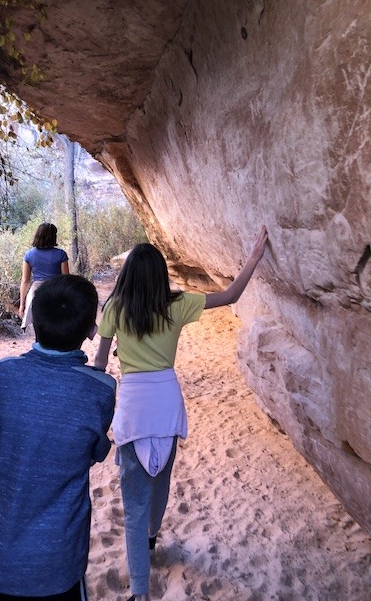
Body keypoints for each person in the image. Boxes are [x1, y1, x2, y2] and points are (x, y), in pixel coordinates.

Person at [94, 226, 268, 601]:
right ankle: (153, 538)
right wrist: (254, 256)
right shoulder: (178, 305)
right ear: (160, 275)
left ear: (125, 278)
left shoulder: (113, 310)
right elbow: (231, 295)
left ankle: (140, 591)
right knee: (161, 481)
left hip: (133, 410)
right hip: (168, 405)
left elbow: (100, 366)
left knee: (134, 500)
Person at [0, 275, 116, 601]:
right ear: (91, 330)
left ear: (33, 320)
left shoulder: (1, 374)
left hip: (2, 556)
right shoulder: (101, 391)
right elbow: (93, 451)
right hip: (59, 557)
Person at [19, 222, 69, 330]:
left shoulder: (29, 255)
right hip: (56, 289)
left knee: (38, 326)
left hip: (36, 291)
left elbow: (25, 281)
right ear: (53, 237)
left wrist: (22, 304)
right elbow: (66, 279)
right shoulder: (61, 254)